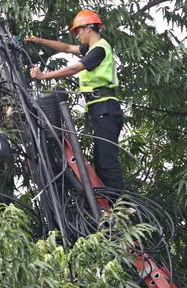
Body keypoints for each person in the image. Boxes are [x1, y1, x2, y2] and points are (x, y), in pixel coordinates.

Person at [26, 10, 124, 190]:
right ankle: (111, 203)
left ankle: (121, 205)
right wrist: (39, 40)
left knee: (106, 159)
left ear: (88, 28)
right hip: (99, 109)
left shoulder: (100, 50)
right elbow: (67, 48)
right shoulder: (92, 49)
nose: (77, 35)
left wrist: (43, 76)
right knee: (101, 159)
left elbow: (74, 69)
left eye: (78, 30)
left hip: (105, 107)